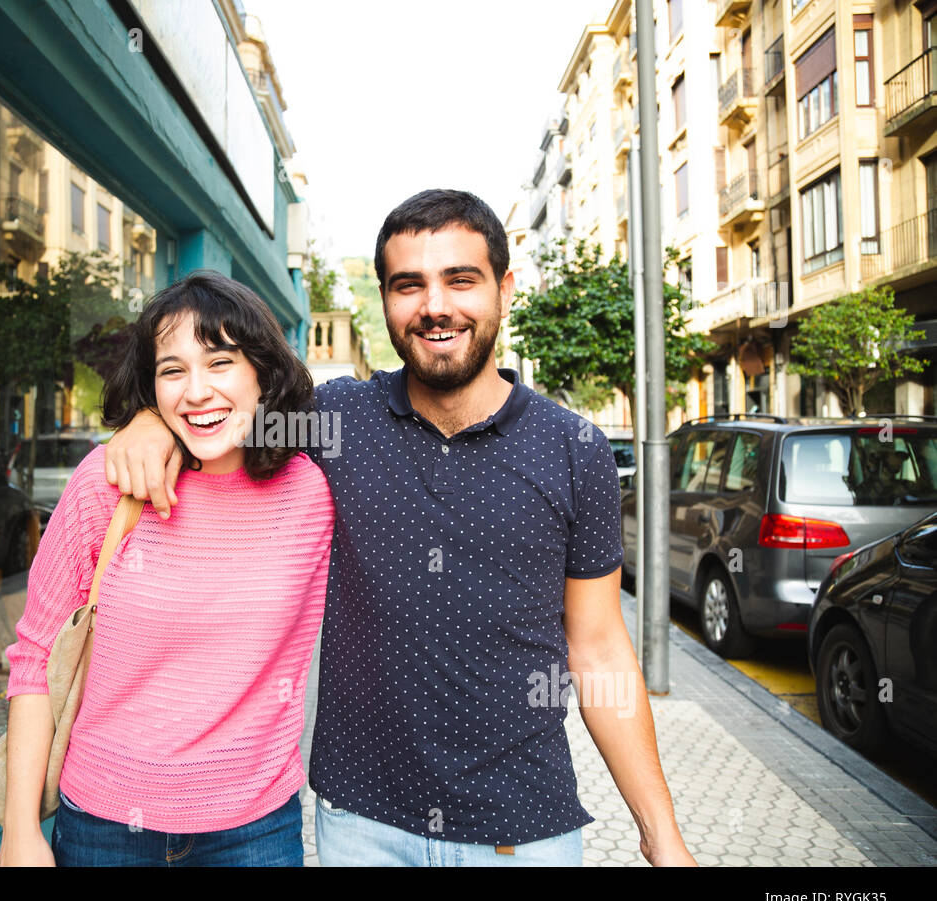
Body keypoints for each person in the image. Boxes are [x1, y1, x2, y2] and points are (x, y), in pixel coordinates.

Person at [103, 189, 697, 866]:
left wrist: (660, 833)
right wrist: (149, 421)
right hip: (362, 827)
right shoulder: (331, 421)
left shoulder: (575, 448)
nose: (434, 306)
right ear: (384, 300)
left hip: (523, 830)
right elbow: (220, 415)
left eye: (461, 280)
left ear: (505, 290)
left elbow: (598, 653)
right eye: (408, 285)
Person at [0, 270, 334, 867]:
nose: (196, 391)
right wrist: (20, 831)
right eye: (172, 370)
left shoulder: (314, 491)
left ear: (262, 372)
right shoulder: (107, 486)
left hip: (254, 830)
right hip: (104, 829)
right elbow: (34, 660)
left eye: (221, 362)